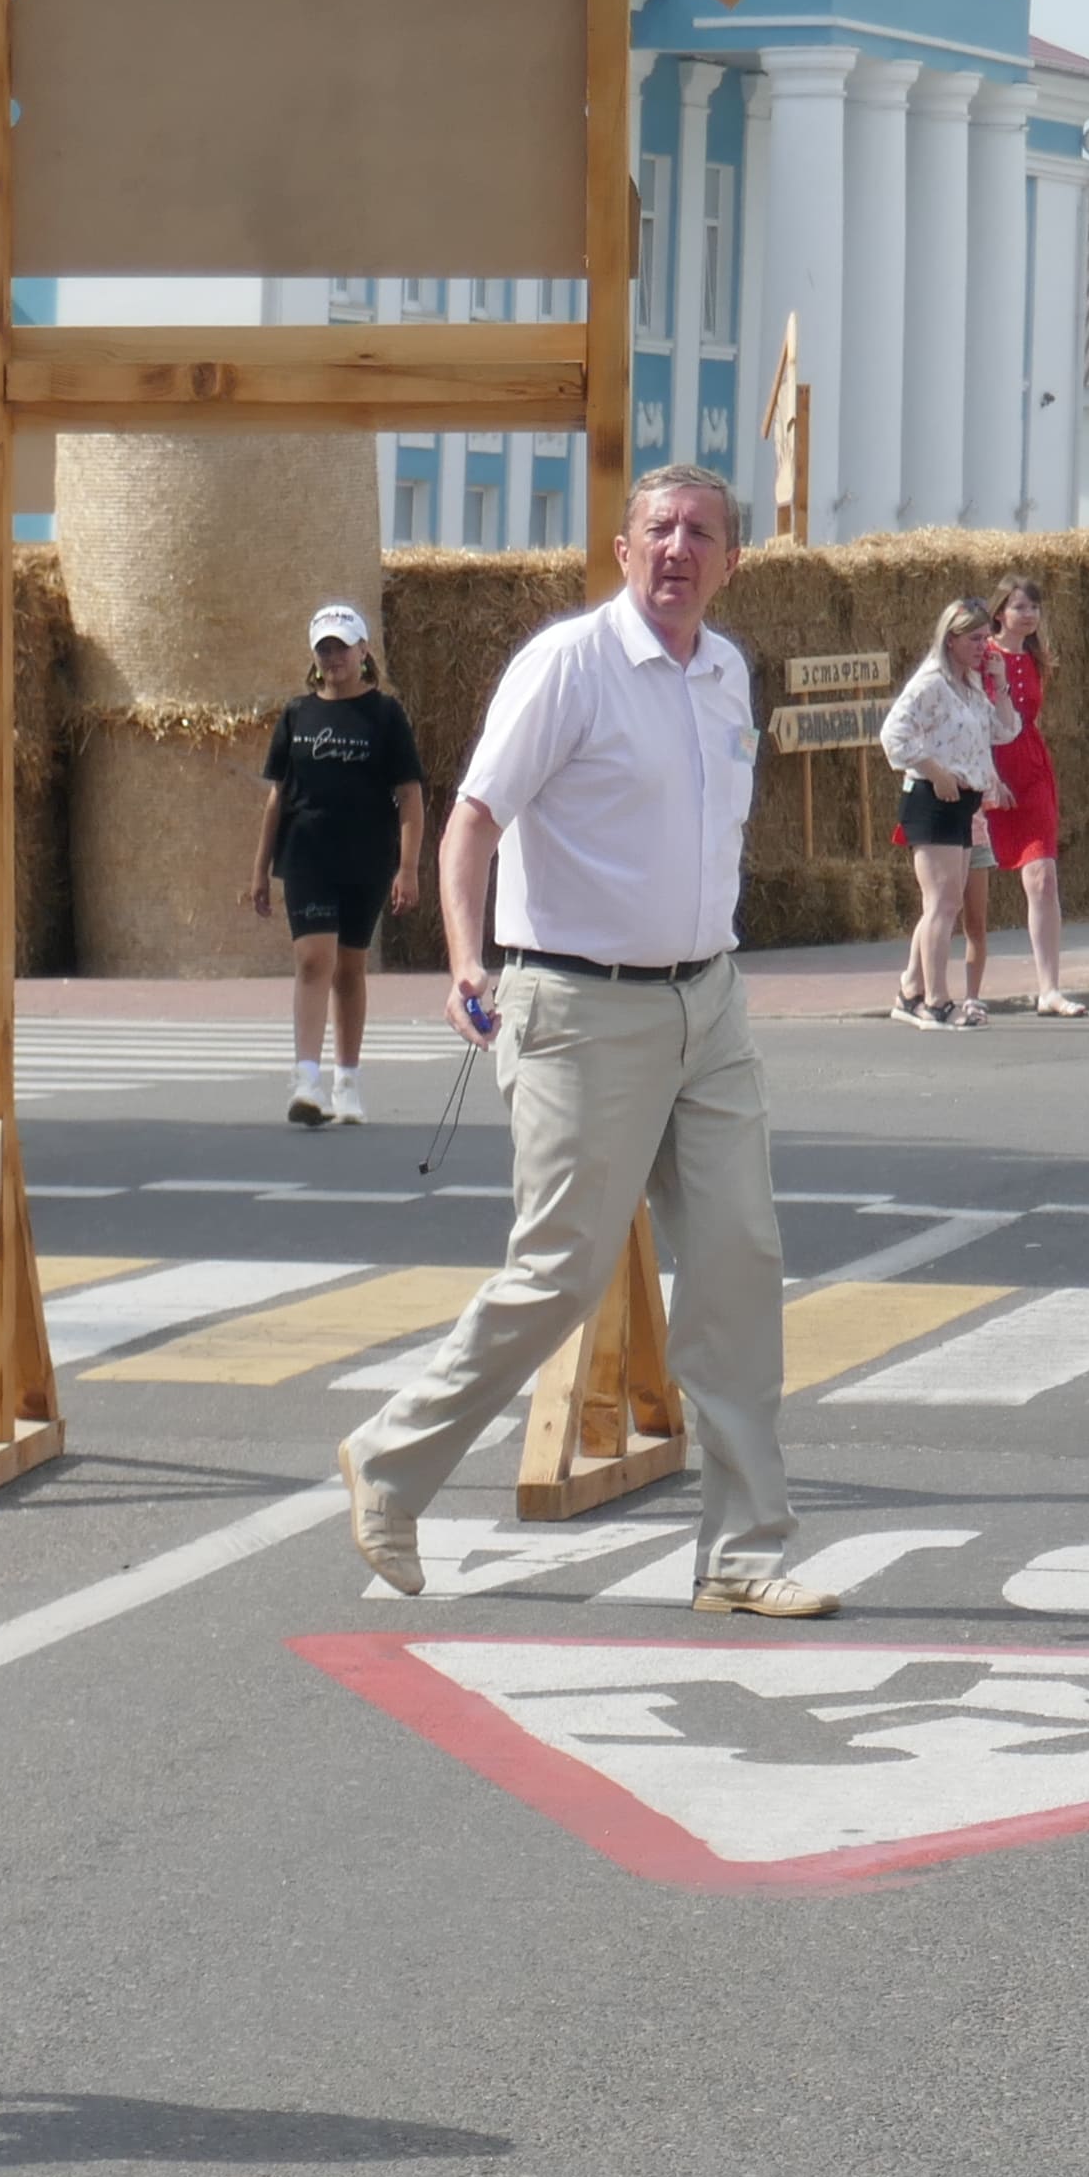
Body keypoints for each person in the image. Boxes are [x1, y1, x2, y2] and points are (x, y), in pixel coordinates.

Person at [339, 466, 823, 1617]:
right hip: (578, 1005)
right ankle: (392, 1463)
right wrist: (466, 957)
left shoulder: (725, 672)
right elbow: (471, 822)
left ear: (733, 563)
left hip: (707, 1003)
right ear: (620, 551)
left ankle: (743, 1554)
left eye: (702, 533)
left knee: (740, 1264)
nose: (677, 550)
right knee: (560, 1270)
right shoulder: (570, 664)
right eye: (658, 530)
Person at [243, 603, 428, 1119]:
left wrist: (408, 866)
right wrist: (260, 868)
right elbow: (278, 796)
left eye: (342, 647)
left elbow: (409, 794)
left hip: (366, 856)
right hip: (306, 854)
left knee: (349, 967)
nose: (333, 658)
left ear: (363, 651)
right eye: (324, 648)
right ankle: (306, 1080)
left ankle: (347, 1079)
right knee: (312, 960)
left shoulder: (385, 715)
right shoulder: (296, 715)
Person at [879, 598, 1010, 1031]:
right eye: (975, 638)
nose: (984, 646)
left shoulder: (969, 685)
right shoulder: (931, 682)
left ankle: (910, 989)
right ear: (951, 640)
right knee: (941, 903)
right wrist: (935, 772)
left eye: (987, 638)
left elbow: (1004, 730)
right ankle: (935, 1000)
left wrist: (1000, 684)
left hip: (963, 802)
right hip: (932, 800)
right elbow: (893, 734)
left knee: (946, 903)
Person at [959, 573, 1084, 1018]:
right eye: (1019, 607)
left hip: (1031, 770)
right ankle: (941, 985)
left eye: (1034, 607)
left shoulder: (1036, 659)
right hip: (986, 770)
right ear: (999, 613)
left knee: (1042, 877)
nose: (1028, 615)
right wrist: (991, 776)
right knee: (964, 888)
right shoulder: (978, 655)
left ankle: (1049, 988)